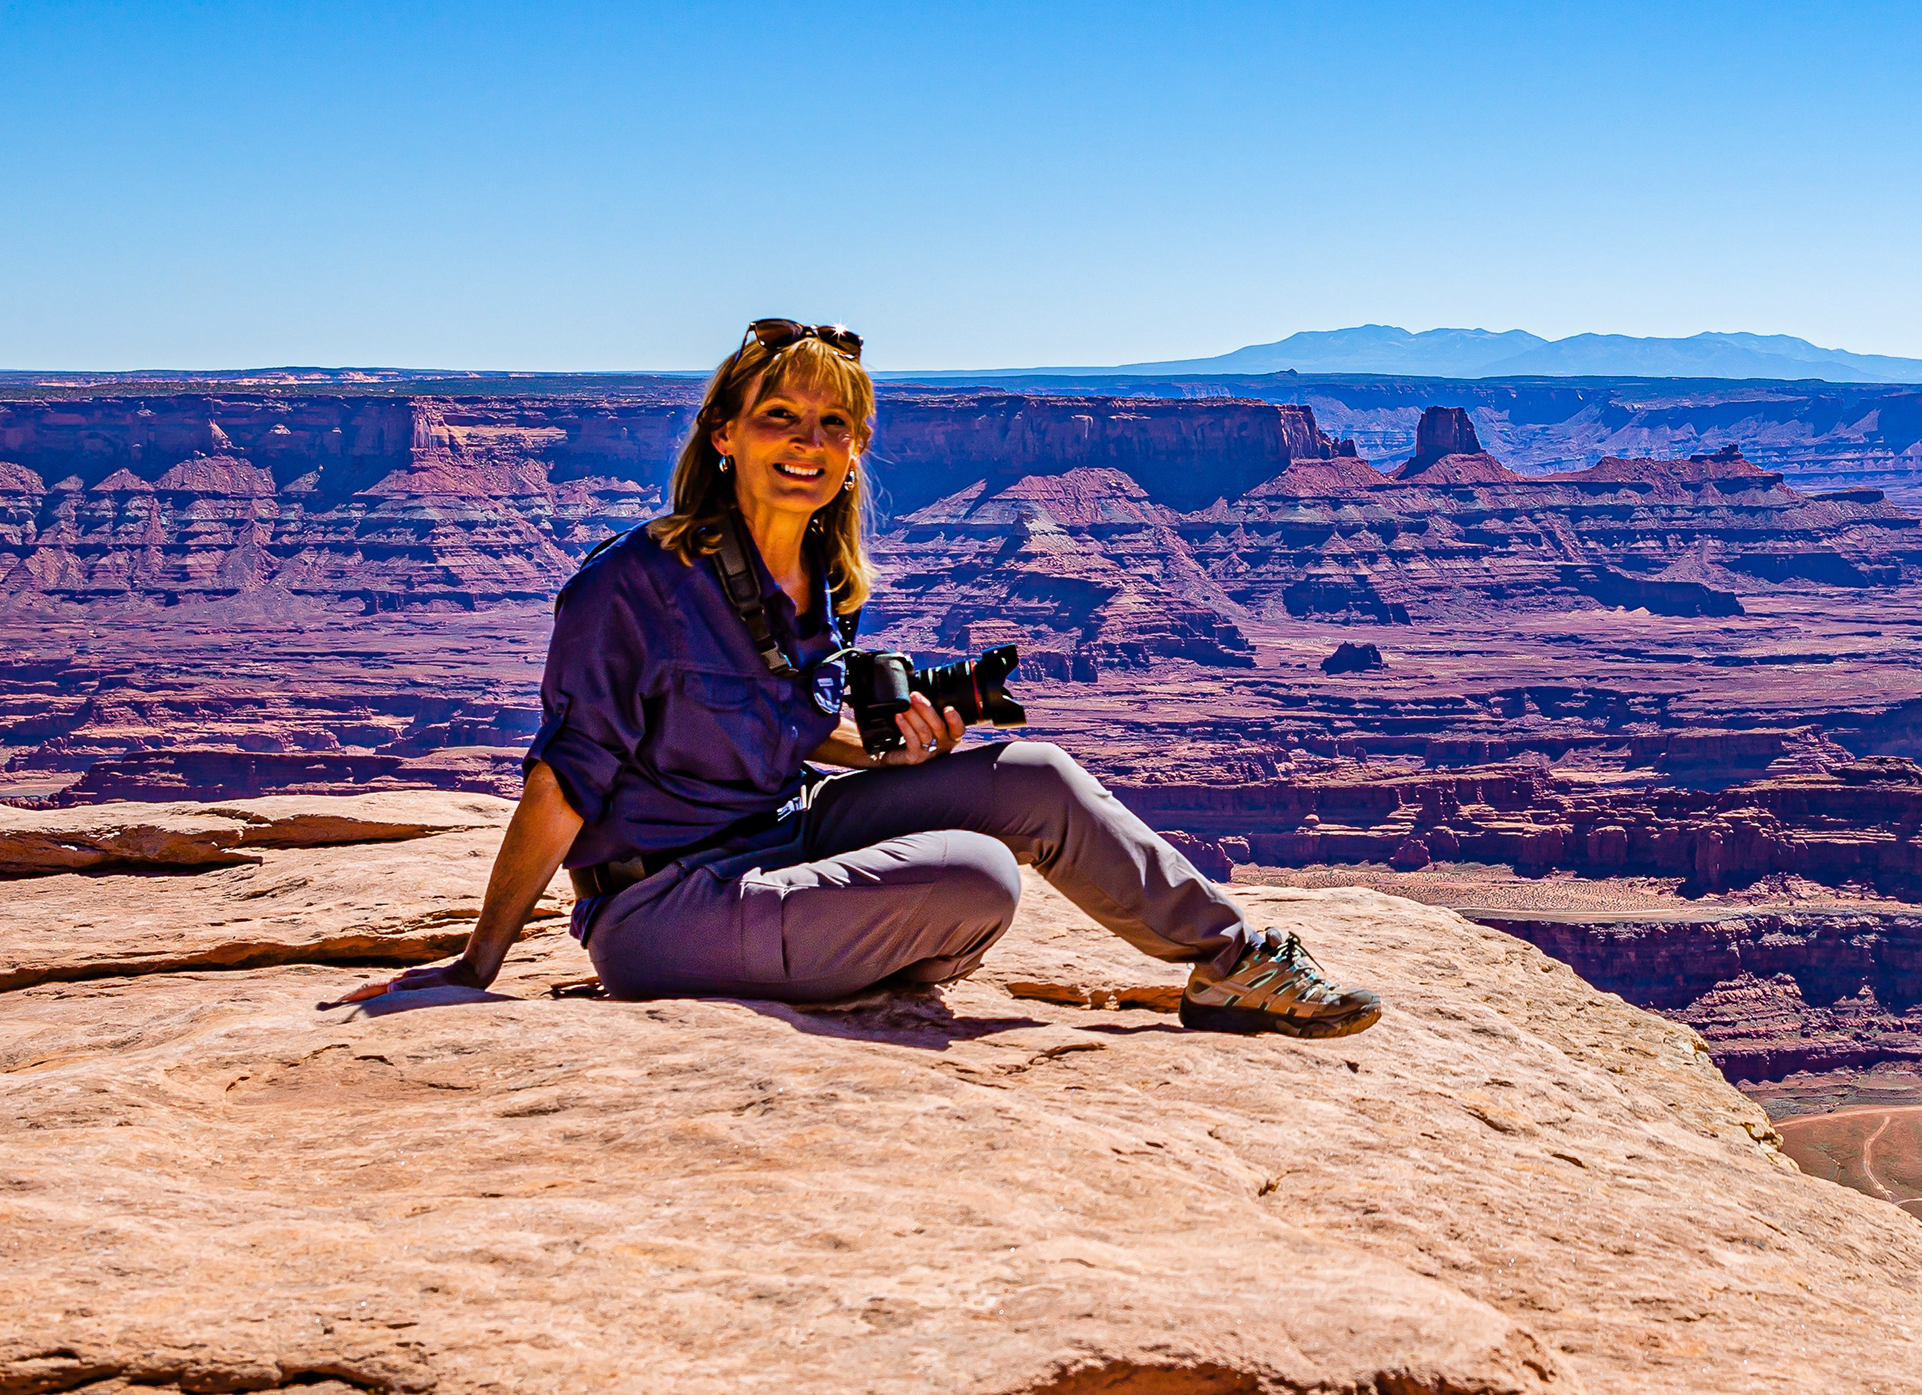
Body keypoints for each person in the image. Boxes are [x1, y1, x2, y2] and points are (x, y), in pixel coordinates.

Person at [348, 317, 1380, 1036]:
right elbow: (563, 782)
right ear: (723, 437)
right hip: (663, 905)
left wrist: (901, 743)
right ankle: (860, 955)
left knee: (1035, 776)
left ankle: (1234, 962)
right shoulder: (633, 586)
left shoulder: (821, 573)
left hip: (779, 837)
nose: (808, 445)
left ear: (856, 449)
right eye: (779, 420)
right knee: (979, 878)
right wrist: (478, 963)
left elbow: (791, 731)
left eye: (832, 426)